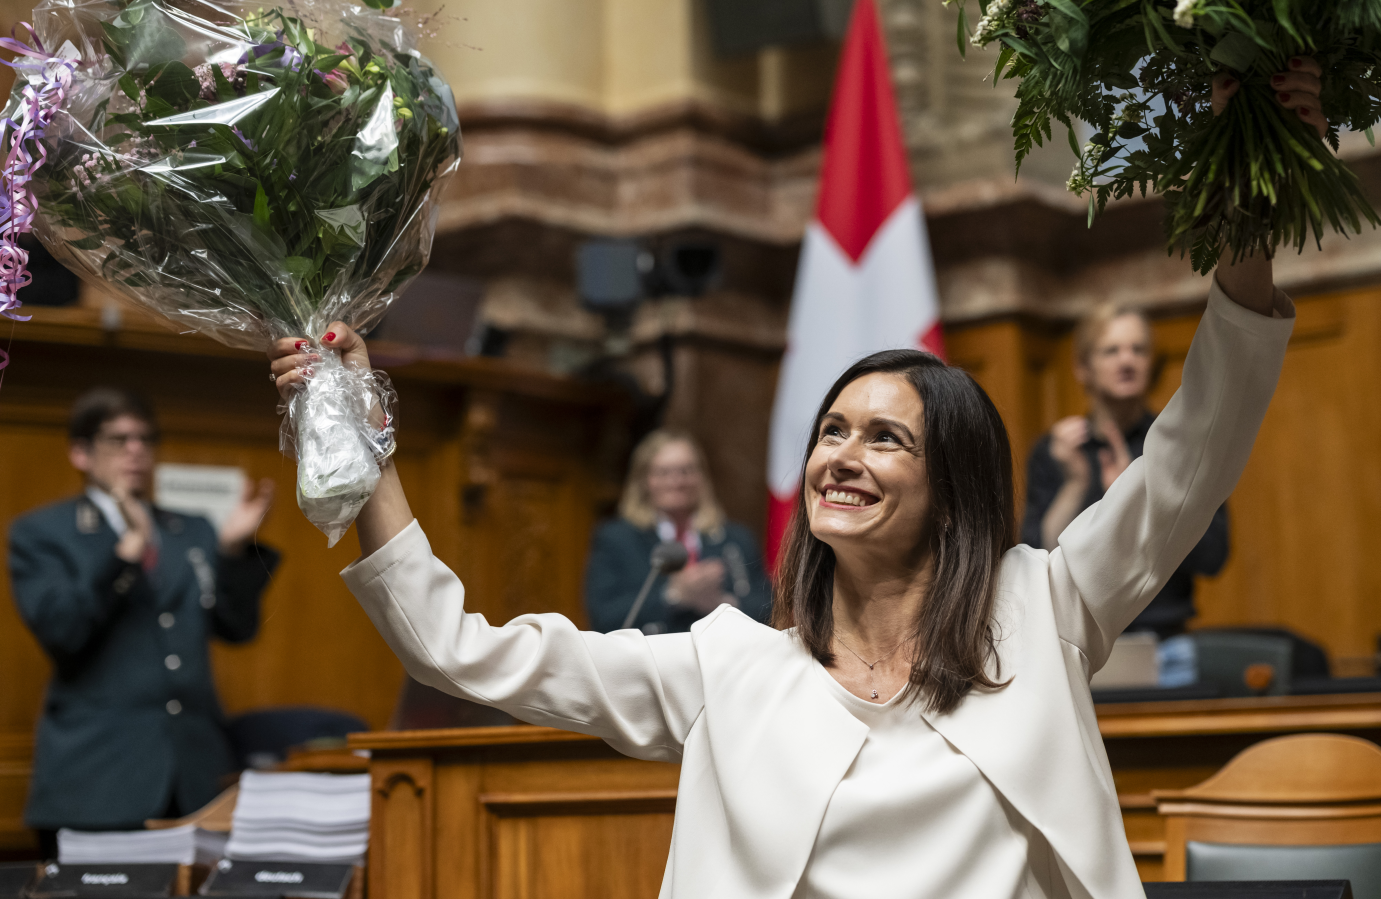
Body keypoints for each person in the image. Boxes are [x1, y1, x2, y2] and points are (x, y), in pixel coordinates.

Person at [268, 63, 1321, 899]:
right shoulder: (728, 669)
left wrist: (1250, 223)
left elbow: (1190, 456)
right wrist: (361, 444)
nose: (840, 457)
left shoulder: (1042, 607)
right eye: (830, 431)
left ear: (951, 485)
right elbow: (460, 650)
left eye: (883, 439)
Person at [8, 388, 278, 855]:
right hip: (97, 780)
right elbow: (62, 632)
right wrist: (125, 554)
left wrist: (233, 553)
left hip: (194, 777)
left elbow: (237, 628)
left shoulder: (190, 529)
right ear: (81, 452)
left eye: (145, 439)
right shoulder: (42, 533)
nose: (135, 451)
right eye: (118, 439)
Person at [1020, 304, 1229, 640]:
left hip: (1164, 635)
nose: (1127, 361)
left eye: (1138, 349)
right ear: (1083, 368)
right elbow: (1035, 561)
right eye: (1111, 351)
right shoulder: (1055, 451)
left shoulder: (1183, 445)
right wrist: (1076, 484)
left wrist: (1139, 499)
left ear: (1152, 362)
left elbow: (1214, 555)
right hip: (1075, 638)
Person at [584, 430, 771, 634]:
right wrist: (674, 594)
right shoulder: (618, 539)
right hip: (653, 659)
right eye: (664, 472)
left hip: (722, 656)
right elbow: (604, 617)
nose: (677, 482)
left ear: (701, 477)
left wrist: (722, 604)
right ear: (644, 480)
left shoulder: (735, 539)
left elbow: (769, 609)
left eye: (686, 471)